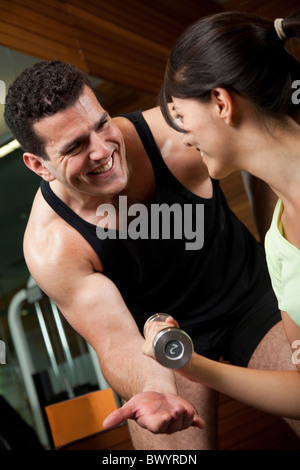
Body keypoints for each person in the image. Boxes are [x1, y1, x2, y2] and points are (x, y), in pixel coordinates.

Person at [3, 59, 298, 450]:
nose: (102, 150)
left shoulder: (173, 137)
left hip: (251, 297)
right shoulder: (53, 245)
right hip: (157, 344)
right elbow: (115, 342)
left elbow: (261, 159)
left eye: (101, 124)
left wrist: (278, 258)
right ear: (39, 165)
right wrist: (149, 387)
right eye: (75, 146)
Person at [111, 10, 300, 425]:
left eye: (180, 115)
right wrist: (188, 362)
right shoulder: (278, 240)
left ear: (220, 102)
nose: (184, 134)